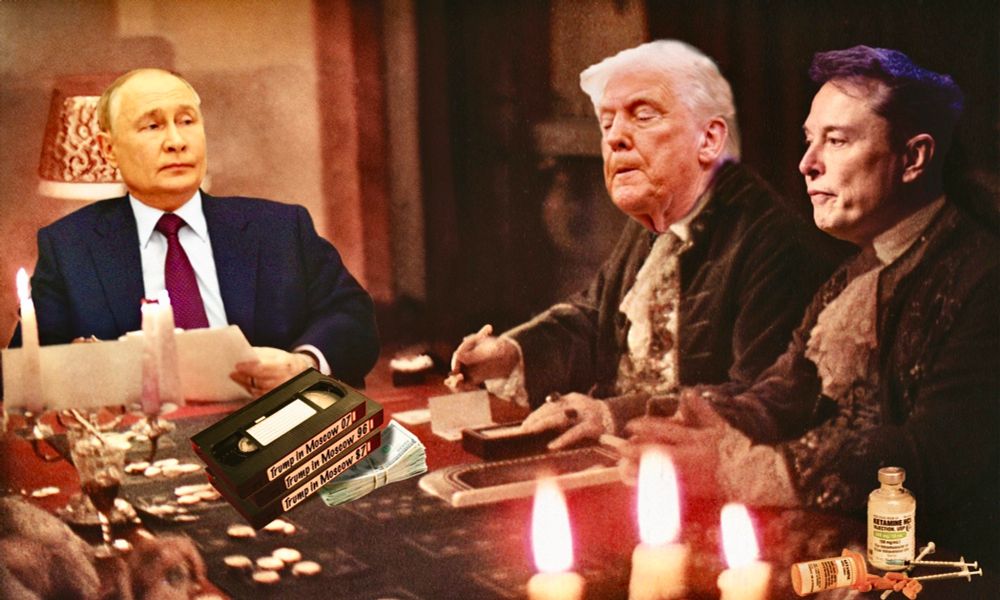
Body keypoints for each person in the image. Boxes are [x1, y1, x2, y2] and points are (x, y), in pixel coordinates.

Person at [613, 46, 997, 570]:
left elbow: (932, 456)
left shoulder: (984, 279)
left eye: (835, 141)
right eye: (809, 140)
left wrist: (735, 469)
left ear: (914, 158)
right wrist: (689, 422)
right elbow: (785, 391)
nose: (807, 163)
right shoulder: (856, 273)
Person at [452, 40, 835, 445]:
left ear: (709, 139)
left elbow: (758, 401)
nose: (615, 138)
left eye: (643, 115)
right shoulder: (659, 219)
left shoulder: (772, 241)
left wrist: (612, 414)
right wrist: (511, 353)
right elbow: (595, 318)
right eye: (607, 123)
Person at [7, 68, 379, 393]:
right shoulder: (70, 247)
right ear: (109, 149)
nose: (176, 141)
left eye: (187, 121)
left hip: (266, 428)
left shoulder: (279, 229)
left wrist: (302, 365)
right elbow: (28, 371)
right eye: (152, 126)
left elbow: (352, 317)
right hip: (140, 437)